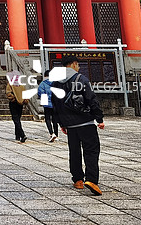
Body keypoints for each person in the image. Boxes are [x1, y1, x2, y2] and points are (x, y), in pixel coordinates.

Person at [52, 55, 105, 196]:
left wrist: (61, 123)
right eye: (78, 65)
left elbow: (55, 104)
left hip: (69, 124)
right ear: (74, 64)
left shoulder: (56, 82)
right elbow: (91, 99)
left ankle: (78, 180)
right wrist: (99, 118)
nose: (79, 67)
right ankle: (91, 179)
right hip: (86, 122)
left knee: (74, 152)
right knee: (91, 150)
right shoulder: (81, 79)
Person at [5, 71, 28, 143]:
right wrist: (23, 100)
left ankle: (22, 134)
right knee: (18, 119)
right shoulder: (21, 86)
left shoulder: (10, 85)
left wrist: (14, 98)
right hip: (20, 104)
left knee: (16, 119)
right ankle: (17, 135)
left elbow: (8, 93)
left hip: (13, 103)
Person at [38, 70, 60, 142]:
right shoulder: (56, 83)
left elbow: (40, 93)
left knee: (47, 119)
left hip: (47, 104)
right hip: (55, 104)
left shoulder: (42, 84)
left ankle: (51, 133)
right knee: (55, 120)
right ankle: (56, 135)